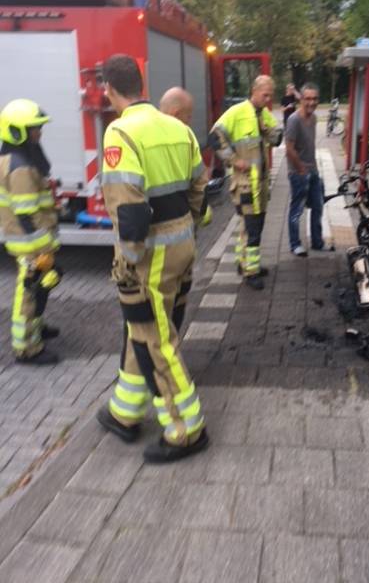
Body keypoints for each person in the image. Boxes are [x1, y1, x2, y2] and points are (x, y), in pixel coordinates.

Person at [96, 54, 210, 464]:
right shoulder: (178, 128)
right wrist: (189, 223)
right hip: (183, 248)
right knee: (143, 330)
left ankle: (187, 430)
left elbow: (130, 213)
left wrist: (127, 263)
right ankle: (125, 412)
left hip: (150, 256)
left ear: (109, 89)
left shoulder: (120, 134)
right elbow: (201, 184)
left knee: (156, 340)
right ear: (141, 83)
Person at [0, 99, 62, 365]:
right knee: (29, 291)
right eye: (34, 128)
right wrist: (43, 246)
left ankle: (37, 328)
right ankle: (26, 348)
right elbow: (26, 212)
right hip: (30, 243)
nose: (39, 132)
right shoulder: (20, 166)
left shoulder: (17, 158)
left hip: (31, 239)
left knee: (40, 287)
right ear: (17, 131)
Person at [208, 75, 283, 290]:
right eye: (264, 95)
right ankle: (251, 272)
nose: (268, 99)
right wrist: (233, 160)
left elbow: (277, 139)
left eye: (270, 95)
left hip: (260, 183)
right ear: (254, 90)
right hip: (244, 183)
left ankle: (246, 264)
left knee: (252, 225)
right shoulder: (237, 112)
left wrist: (265, 129)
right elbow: (214, 137)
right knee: (252, 227)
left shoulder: (263, 113)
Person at [159, 86, 212, 336]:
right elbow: (200, 188)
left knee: (152, 308)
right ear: (177, 112)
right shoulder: (184, 136)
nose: (190, 121)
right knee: (178, 298)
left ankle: (153, 361)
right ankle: (171, 350)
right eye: (189, 115)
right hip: (183, 239)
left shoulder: (138, 136)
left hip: (149, 245)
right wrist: (199, 217)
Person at [285, 83, 333, 256]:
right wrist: (300, 169)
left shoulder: (313, 118)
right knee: (296, 210)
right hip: (298, 173)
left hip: (313, 170)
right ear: (301, 100)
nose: (311, 102)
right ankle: (295, 244)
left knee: (318, 206)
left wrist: (313, 169)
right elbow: (289, 149)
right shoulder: (294, 120)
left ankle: (317, 242)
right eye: (308, 98)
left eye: (314, 99)